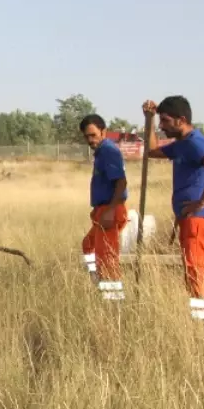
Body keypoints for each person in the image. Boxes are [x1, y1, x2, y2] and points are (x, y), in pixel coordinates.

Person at [142, 96, 204, 325]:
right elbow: (151, 150)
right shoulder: (181, 145)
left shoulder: (194, 142)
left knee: (199, 277)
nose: (162, 126)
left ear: (181, 120)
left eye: (165, 121)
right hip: (191, 223)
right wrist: (148, 119)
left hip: (200, 222)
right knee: (195, 276)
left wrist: (201, 202)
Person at [79, 115, 128, 301]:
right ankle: (95, 279)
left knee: (107, 258)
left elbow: (121, 183)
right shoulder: (101, 152)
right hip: (103, 210)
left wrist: (109, 211)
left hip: (110, 210)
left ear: (104, 132)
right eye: (87, 136)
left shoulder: (108, 151)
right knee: (88, 245)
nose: (90, 140)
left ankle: (113, 301)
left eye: (93, 135)